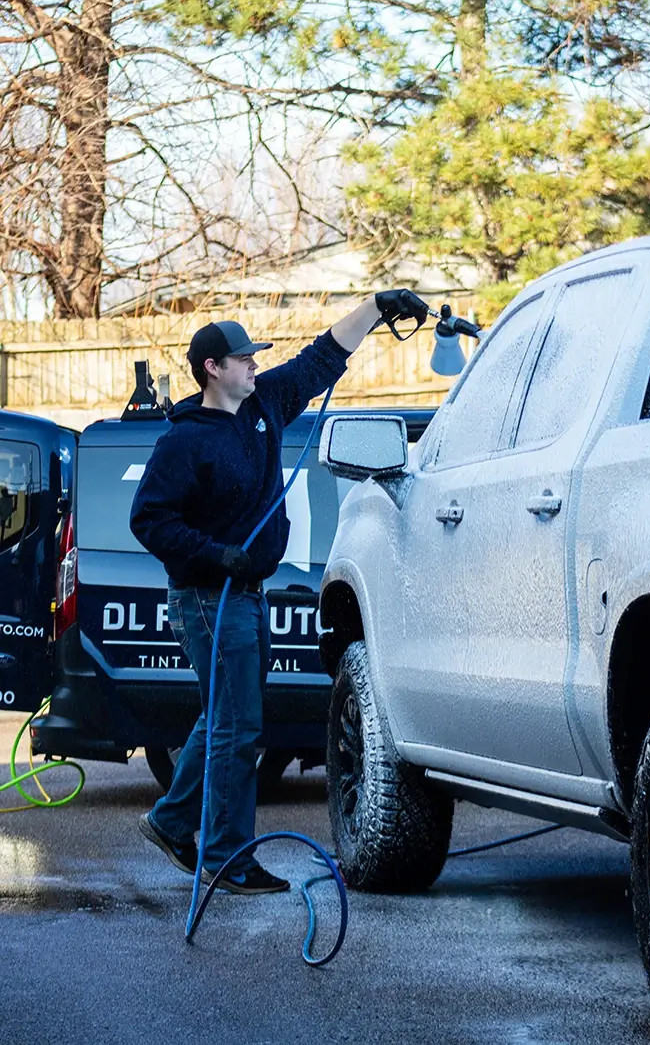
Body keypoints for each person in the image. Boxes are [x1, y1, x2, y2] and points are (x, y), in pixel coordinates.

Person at [130, 290, 428, 894]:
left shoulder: (264, 405)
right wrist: (216, 554)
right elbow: (149, 519)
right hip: (207, 602)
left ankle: (170, 820)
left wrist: (376, 307)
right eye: (242, 359)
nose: (254, 365)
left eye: (254, 357)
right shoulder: (184, 442)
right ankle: (226, 857)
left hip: (247, 595)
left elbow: (322, 357)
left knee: (225, 719)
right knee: (240, 730)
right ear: (213, 369)